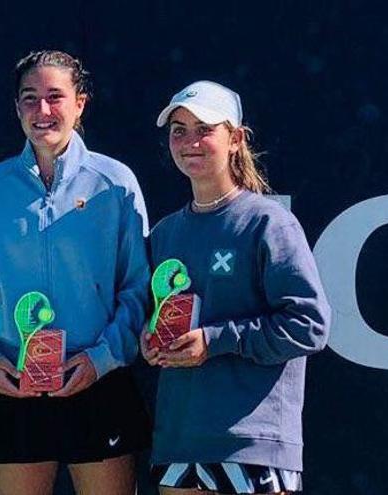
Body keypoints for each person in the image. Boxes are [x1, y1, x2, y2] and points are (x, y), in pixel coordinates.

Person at [0, 50, 151, 495]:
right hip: (15, 384)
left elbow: (137, 288)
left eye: (55, 97)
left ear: (80, 103)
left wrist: (100, 361)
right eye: (30, 98)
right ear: (16, 107)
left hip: (99, 382)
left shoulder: (115, 183)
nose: (43, 111)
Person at [142, 81, 332, 495]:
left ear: (235, 139)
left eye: (204, 128)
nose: (190, 141)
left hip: (253, 444)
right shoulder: (164, 234)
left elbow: (309, 324)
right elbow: (156, 313)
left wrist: (214, 342)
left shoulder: (269, 223)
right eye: (179, 130)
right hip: (179, 443)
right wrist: (151, 339)